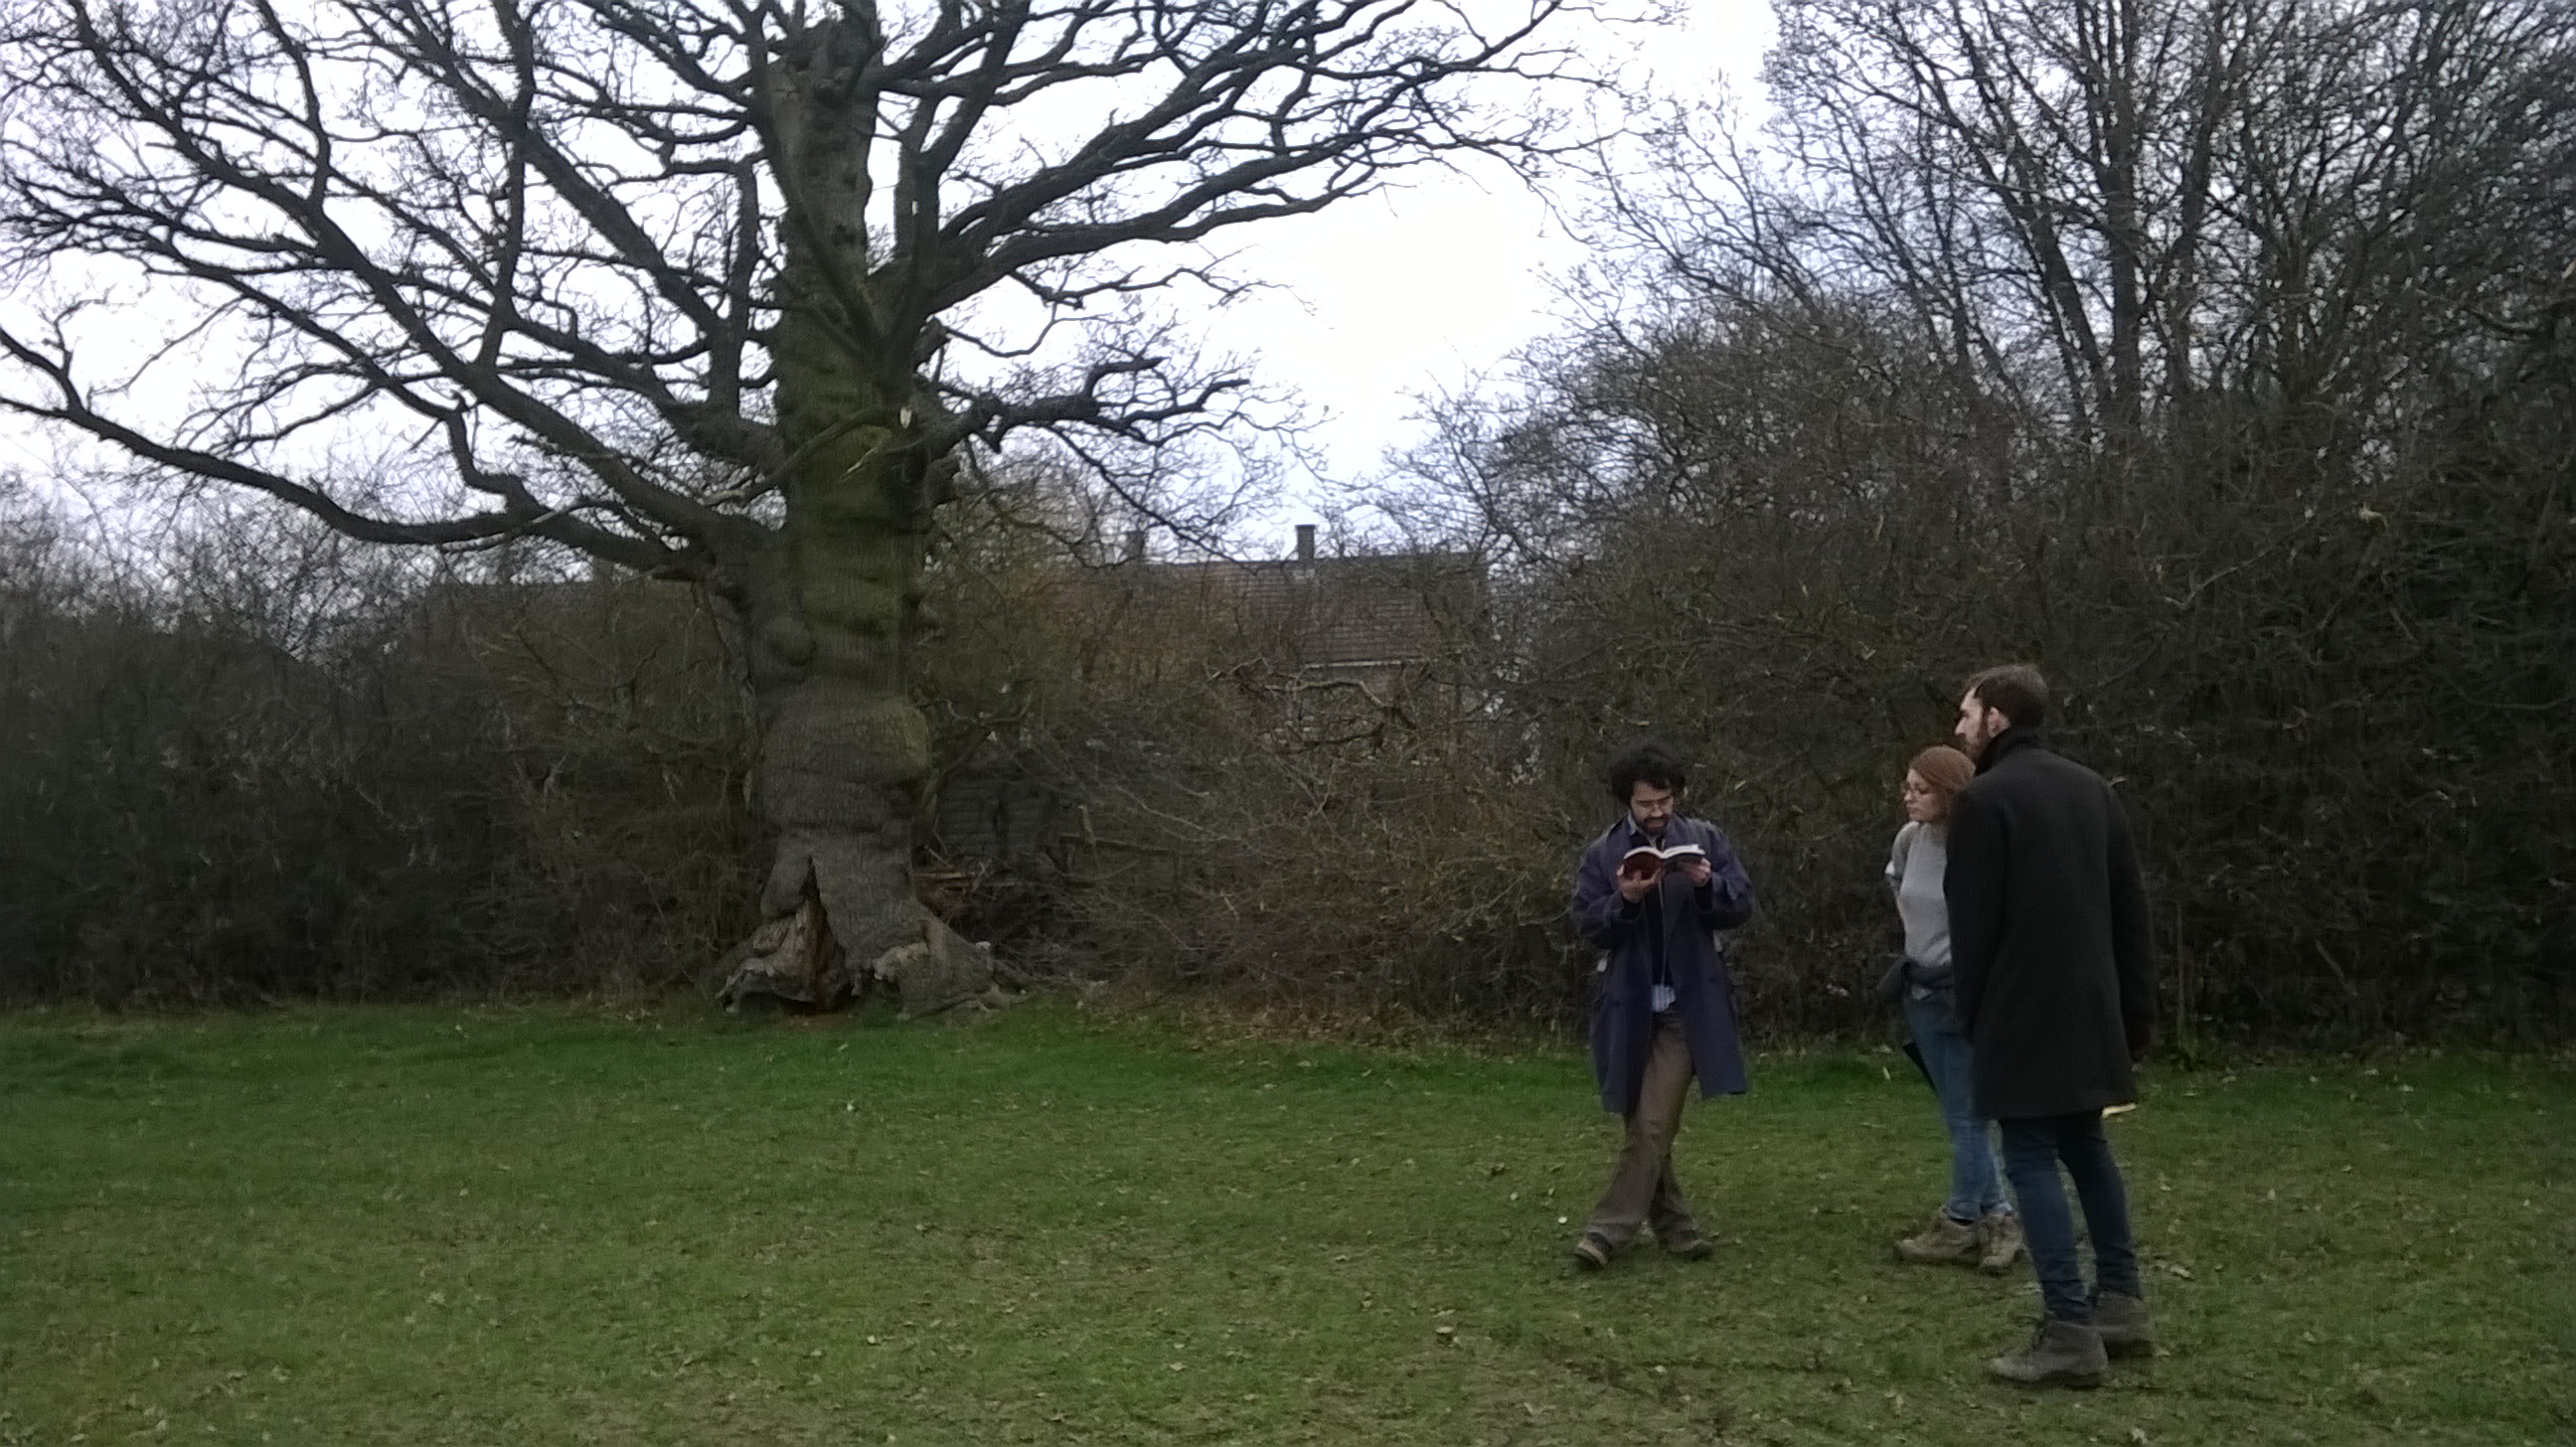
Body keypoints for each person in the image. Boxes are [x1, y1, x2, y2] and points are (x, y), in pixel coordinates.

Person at [1946, 664, 2159, 1387]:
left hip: (2020, 1010)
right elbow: (2131, 912)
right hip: (2093, 1006)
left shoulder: (1982, 802)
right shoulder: (2093, 790)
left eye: (1967, 714)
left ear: (1997, 718)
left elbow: (1973, 931)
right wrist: (2136, 1011)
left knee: (2031, 1156)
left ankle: (2069, 1327)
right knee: (2087, 1146)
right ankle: (2122, 1302)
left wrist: (1973, 1018)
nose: (1959, 728)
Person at [1564, 738, 1756, 1270]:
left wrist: (1707, 884)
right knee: (1645, 1125)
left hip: (1686, 1008)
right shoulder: (1602, 853)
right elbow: (1587, 924)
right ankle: (1677, 1228)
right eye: (1646, 803)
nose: (1657, 812)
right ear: (1627, 801)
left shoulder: (1706, 839)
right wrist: (1624, 900)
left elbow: (1742, 904)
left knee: (1652, 1123)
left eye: (1665, 800)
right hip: (1626, 1006)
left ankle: (1606, 1232)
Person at [1881, 744, 2023, 1274]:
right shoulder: (1909, 840)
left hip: (1967, 996)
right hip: (1920, 992)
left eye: (1921, 789)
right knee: (1957, 1113)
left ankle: (1963, 1220)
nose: (1909, 797)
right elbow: (1897, 883)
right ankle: (1999, 1217)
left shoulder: (1979, 846)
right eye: (1907, 787)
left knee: (1968, 1115)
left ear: (1949, 792)